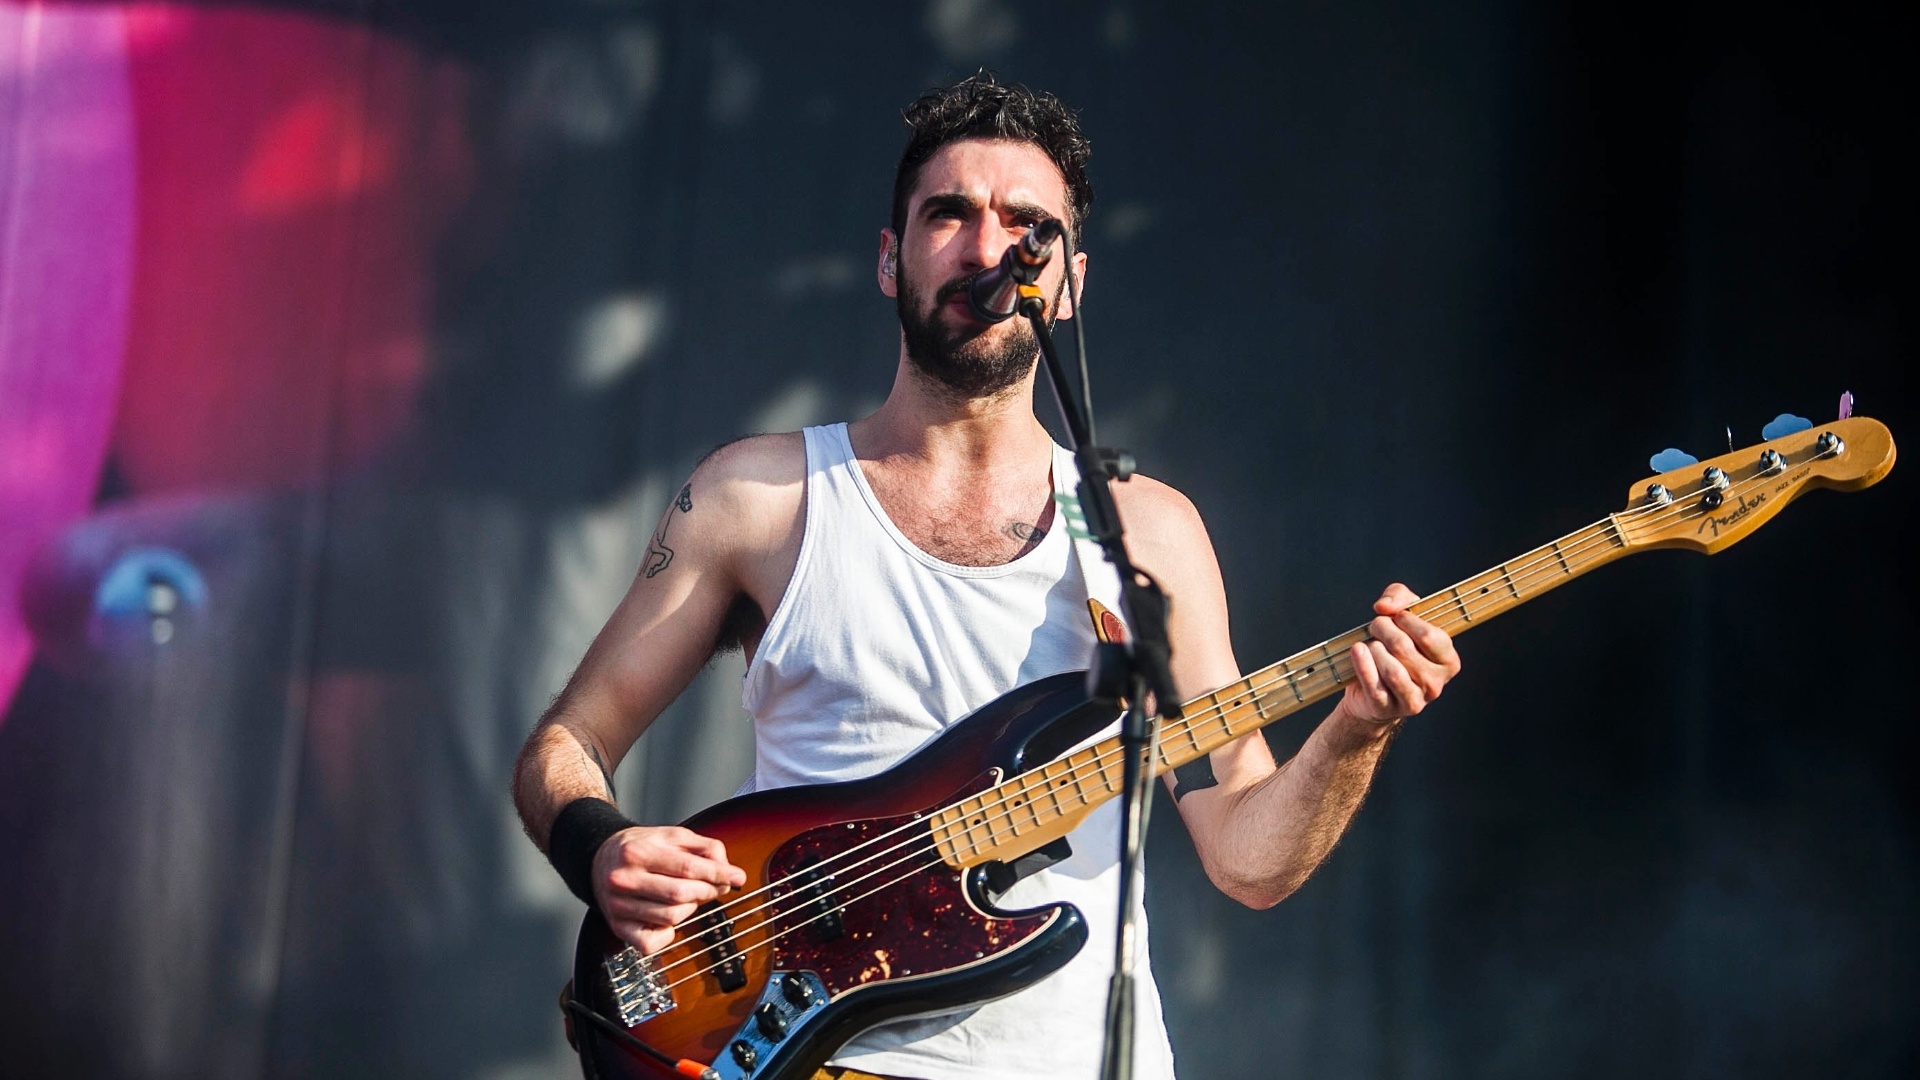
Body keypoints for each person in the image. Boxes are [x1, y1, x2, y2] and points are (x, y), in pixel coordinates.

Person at [511, 73, 1461, 1080]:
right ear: (890, 258)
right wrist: (599, 848)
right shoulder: (761, 496)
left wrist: (1360, 728)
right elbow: (565, 742)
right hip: (810, 1053)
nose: (986, 249)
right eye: (950, 214)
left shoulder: (1147, 532)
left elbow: (1246, 858)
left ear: (1071, 280)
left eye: (1027, 227)